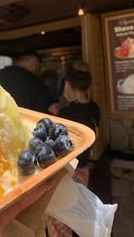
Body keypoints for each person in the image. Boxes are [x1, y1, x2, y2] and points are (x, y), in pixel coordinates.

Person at [46, 60, 100, 237]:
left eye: (65, 86)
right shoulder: (95, 108)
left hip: (70, 172)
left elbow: (60, 145)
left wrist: (54, 117)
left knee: (59, 219)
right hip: (85, 170)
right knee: (75, 213)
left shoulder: (66, 113)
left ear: (68, 85)